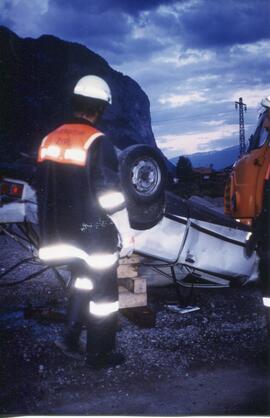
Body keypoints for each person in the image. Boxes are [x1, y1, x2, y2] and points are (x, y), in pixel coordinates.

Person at [36, 75, 132, 368]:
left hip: (58, 234)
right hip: (93, 235)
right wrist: (126, 232)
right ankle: (100, 355)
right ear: (101, 109)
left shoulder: (48, 139)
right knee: (104, 296)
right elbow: (108, 196)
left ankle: (70, 335)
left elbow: (40, 187)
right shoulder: (97, 142)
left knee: (82, 280)